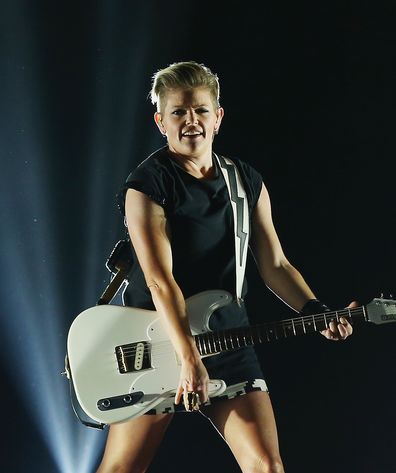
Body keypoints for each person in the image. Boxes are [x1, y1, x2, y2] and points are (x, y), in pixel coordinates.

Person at [96, 61, 354, 473]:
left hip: (228, 340)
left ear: (217, 116)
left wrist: (315, 310)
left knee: (267, 466)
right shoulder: (147, 185)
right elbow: (160, 282)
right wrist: (186, 357)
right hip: (158, 343)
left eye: (200, 110)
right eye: (178, 112)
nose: (191, 121)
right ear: (161, 121)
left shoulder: (245, 181)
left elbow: (275, 264)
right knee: (123, 469)